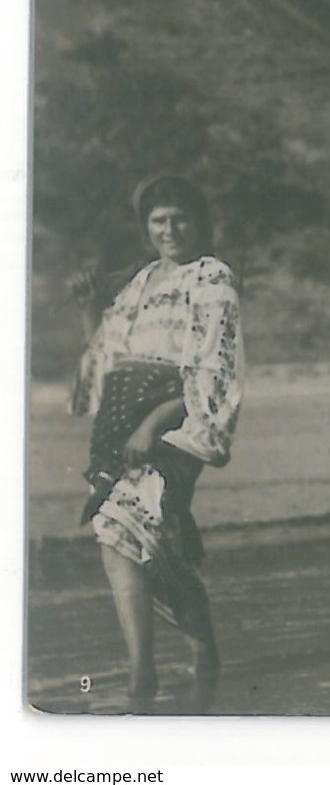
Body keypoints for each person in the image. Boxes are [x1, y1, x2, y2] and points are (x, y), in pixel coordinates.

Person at [71, 175, 243, 713]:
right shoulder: (142, 280)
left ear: (198, 221)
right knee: (156, 546)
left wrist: (155, 425)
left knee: (119, 528)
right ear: (146, 227)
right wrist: (87, 307)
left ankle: (139, 678)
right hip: (125, 425)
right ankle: (204, 655)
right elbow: (106, 356)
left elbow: (212, 365)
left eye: (179, 219)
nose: (169, 230)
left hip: (175, 427)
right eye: (158, 221)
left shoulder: (211, 276)